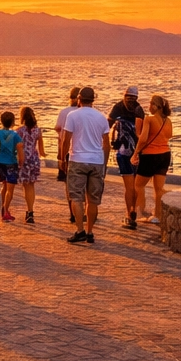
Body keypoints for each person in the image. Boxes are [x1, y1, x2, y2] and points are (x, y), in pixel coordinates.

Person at [63, 87, 111, 245]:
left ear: (79, 99)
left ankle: (80, 230)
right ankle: (90, 232)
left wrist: (63, 157)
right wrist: (104, 163)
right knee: (93, 200)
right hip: (96, 160)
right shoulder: (101, 117)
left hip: (78, 159)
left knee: (76, 197)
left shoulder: (72, 115)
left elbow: (66, 139)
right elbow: (106, 144)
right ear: (93, 100)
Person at [108, 87, 144, 229]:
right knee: (136, 185)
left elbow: (107, 125)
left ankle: (130, 215)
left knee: (128, 186)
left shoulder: (117, 107)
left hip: (123, 152)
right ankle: (134, 210)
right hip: (137, 152)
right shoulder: (139, 109)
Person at [134, 94, 173, 225]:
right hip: (165, 154)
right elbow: (169, 135)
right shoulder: (168, 121)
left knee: (138, 185)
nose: (149, 106)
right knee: (159, 188)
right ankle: (157, 215)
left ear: (157, 106)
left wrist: (135, 153)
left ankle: (140, 212)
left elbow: (143, 139)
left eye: (151, 104)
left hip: (150, 155)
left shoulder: (149, 119)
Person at [54, 86, 79, 224]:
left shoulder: (64, 112)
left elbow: (58, 128)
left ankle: (72, 212)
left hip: (66, 151)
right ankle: (84, 210)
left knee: (68, 184)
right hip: (81, 151)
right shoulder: (86, 112)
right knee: (83, 184)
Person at [0, 111, 24, 222]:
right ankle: (6, 211)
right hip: (11, 162)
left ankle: (3, 206)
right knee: (10, 189)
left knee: (4, 184)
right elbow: (20, 150)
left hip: (0, 161)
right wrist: (21, 163)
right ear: (13, 122)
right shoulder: (15, 135)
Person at [17, 106, 43, 223]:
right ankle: (31, 211)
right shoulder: (38, 130)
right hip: (34, 159)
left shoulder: (19, 131)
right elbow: (41, 150)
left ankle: (29, 211)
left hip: (24, 160)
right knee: (31, 186)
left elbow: (17, 147)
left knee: (26, 186)